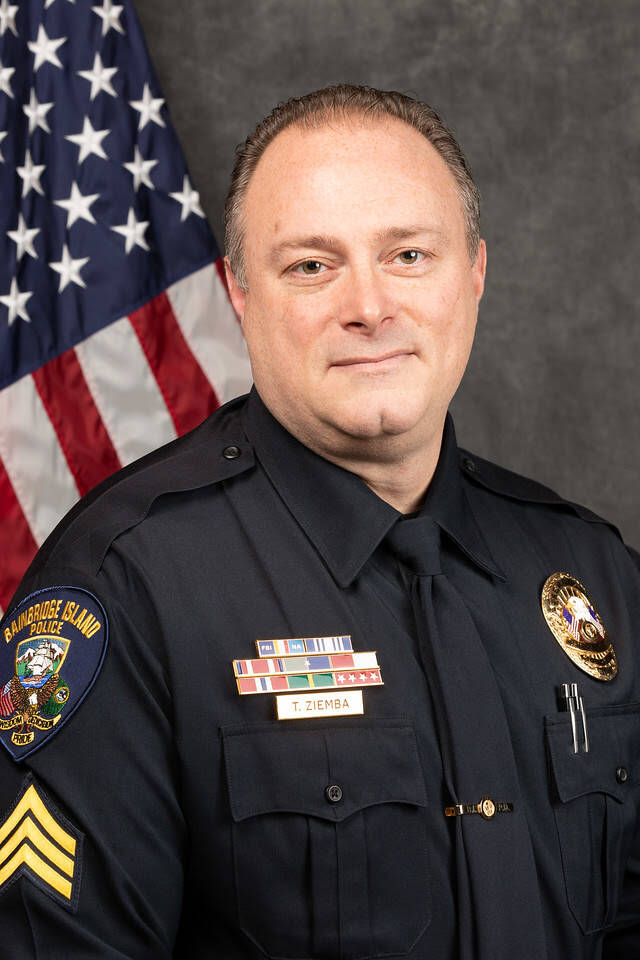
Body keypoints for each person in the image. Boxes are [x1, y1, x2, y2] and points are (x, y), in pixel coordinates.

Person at [0, 83, 638, 960]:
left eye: (409, 254)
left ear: (474, 275)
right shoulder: (125, 586)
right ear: (240, 292)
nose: (369, 306)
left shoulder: (591, 570)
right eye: (311, 265)